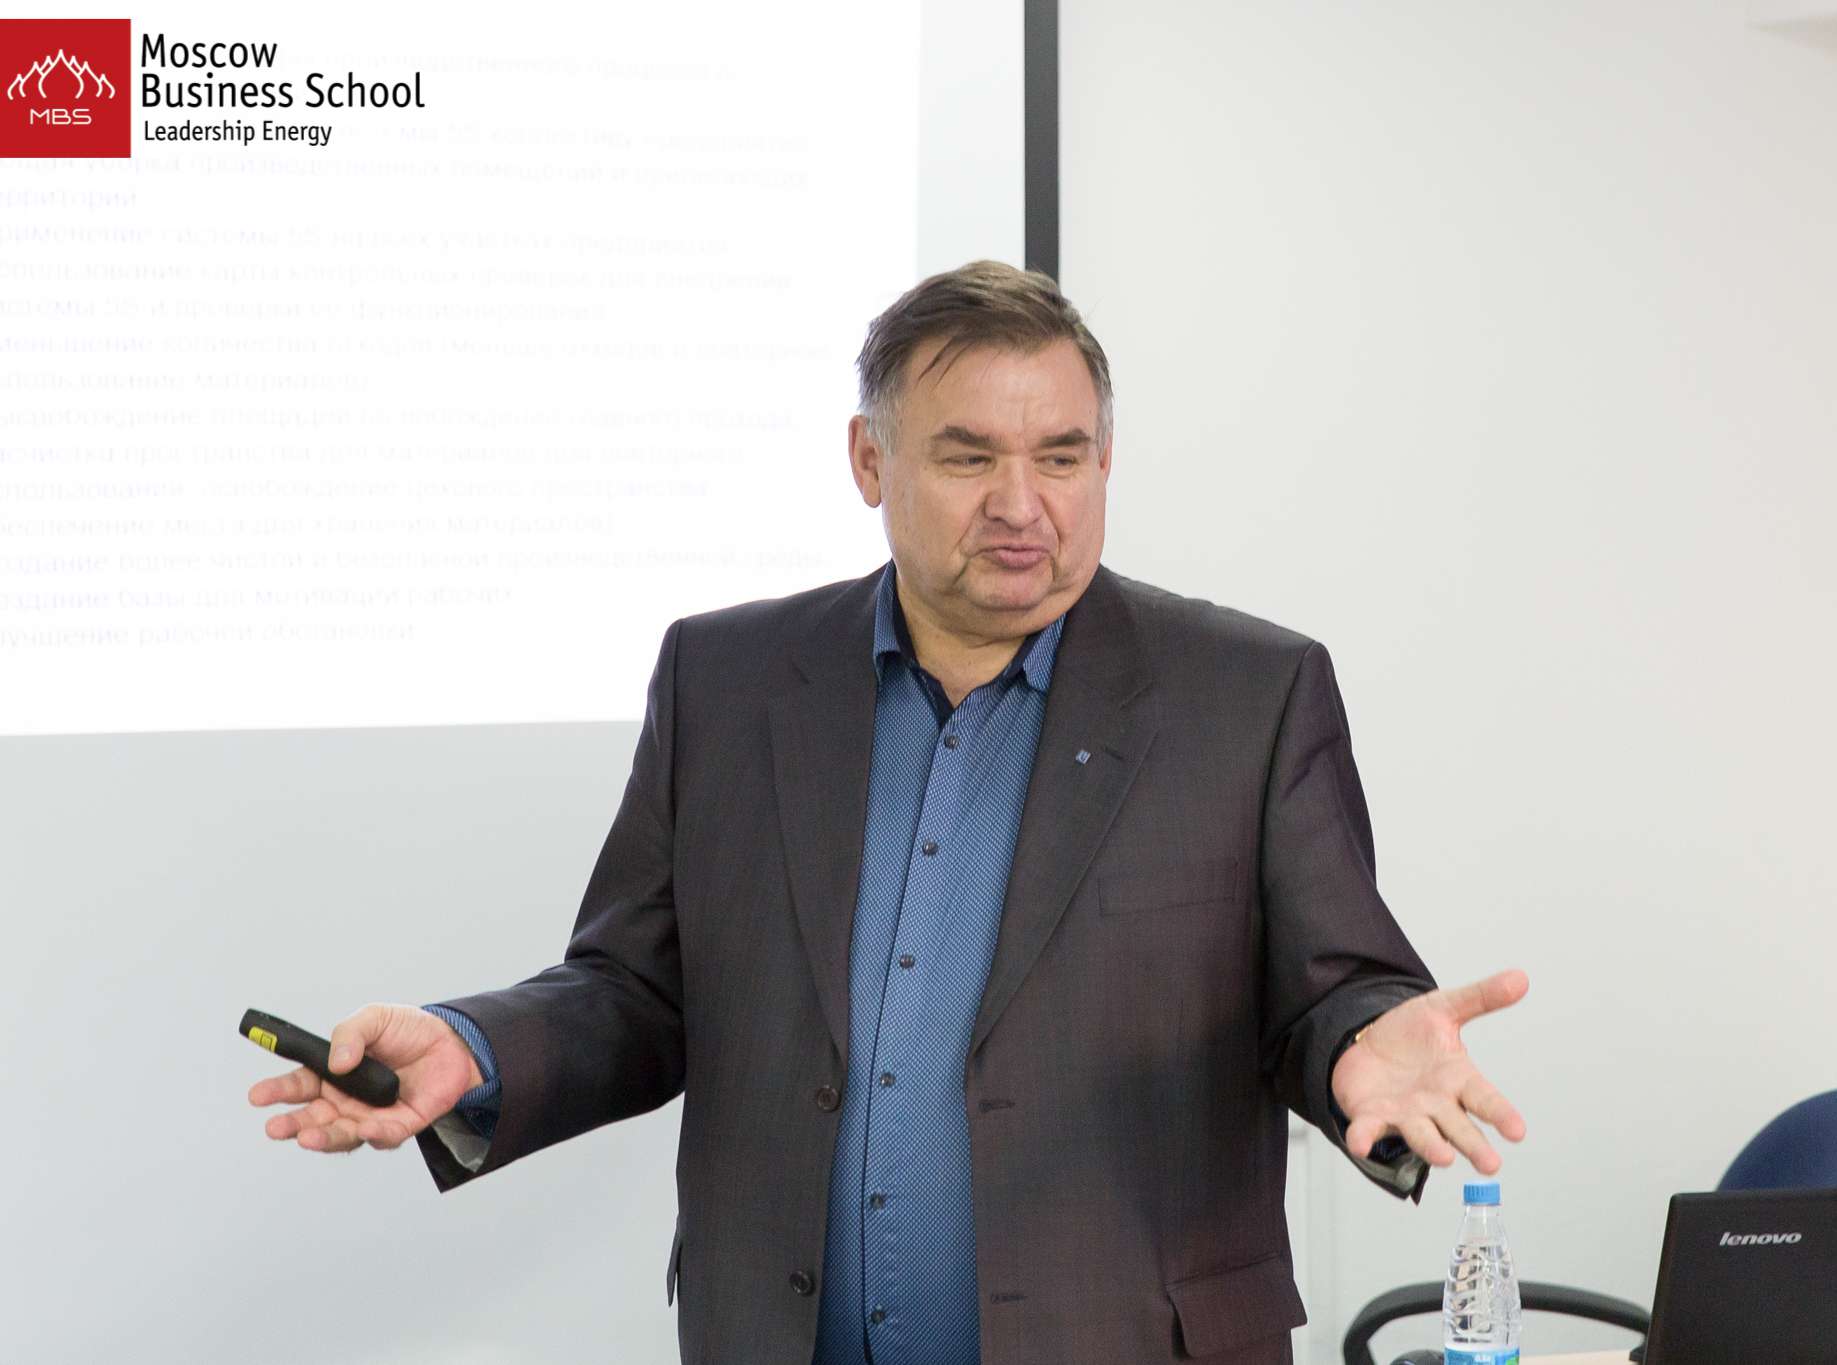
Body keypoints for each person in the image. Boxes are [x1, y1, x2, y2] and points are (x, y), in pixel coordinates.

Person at [247, 259, 1529, 1364]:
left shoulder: (1244, 694)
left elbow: (1329, 994)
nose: (1021, 503)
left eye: (1060, 456)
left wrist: (1355, 1043)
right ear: (870, 461)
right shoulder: (726, 679)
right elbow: (637, 989)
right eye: (968, 456)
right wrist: (475, 1051)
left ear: (1103, 460)